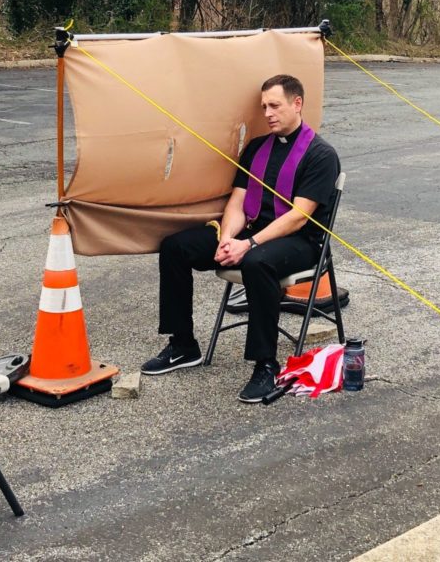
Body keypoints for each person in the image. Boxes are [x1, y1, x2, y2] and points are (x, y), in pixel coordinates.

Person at [141, 73, 341, 402]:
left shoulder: (320, 155)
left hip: (301, 242)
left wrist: (248, 245)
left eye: (275, 105)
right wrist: (227, 237)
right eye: (264, 107)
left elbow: (298, 216)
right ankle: (183, 345)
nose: (268, 113)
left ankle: (266, 365)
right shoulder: (257, 148)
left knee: (257, 261)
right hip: (249, 232)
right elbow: (237, 200)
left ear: (297, 103)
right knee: (175, 247)